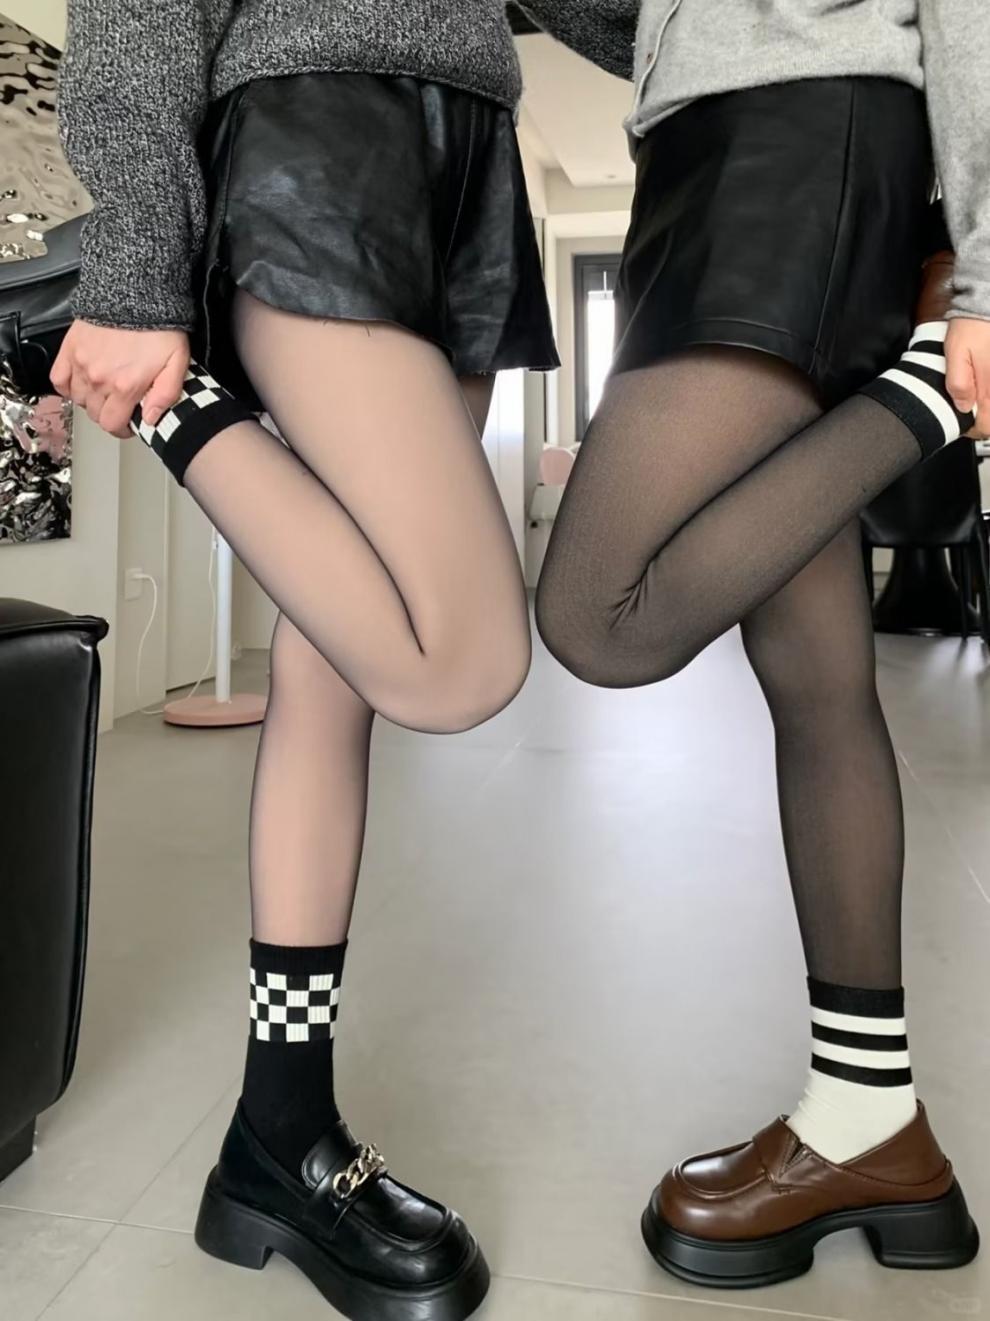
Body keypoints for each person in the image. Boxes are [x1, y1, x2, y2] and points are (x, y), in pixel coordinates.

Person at [53, 4, 567, 1318]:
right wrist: (132, 278)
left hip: (475, 160)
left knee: (331, 668)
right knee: (459, 662)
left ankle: (278, 1131)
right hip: (319, 125)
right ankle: (140, 388)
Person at [530, 0, 985, 1289]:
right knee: (819, 683)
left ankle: (926, 398)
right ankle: (873, 1124)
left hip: (791, 148)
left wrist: (984, 287)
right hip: (718, 159)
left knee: (597, 617)